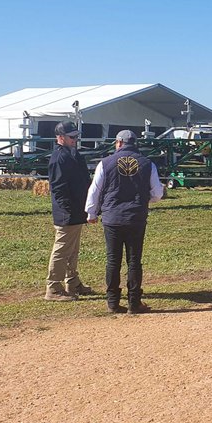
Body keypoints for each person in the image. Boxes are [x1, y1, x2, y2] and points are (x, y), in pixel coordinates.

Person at [85, 129, 163, 314]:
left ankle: (112, 301)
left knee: (113, 260)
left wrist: (91, 213)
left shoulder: (105, 163)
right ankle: (134, 303)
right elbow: (158, 193)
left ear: (119, 143)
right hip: (136, 217)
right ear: (134, 143)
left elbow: (95, 189)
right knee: (134, 260)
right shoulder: (147, 164)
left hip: (112, 217)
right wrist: (145, 200)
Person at [45, 121, 95, 301]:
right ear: (60, 138)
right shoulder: (59, 158)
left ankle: (72, 281)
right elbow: (58, 188)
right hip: (67, 212)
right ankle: (54, 287)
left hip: (75, 210)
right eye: (72, 137)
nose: (75, 140)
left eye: (76, 137)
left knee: (72, 249)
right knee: (61, 249)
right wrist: (67, 209)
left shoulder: (71, 154)